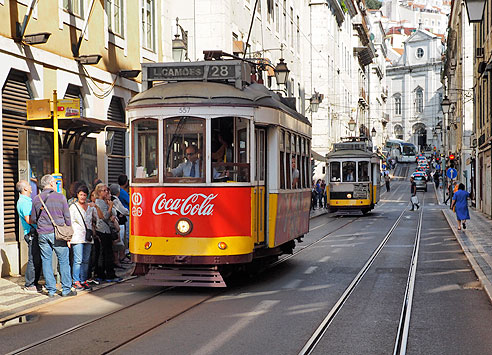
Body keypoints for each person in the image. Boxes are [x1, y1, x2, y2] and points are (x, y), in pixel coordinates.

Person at [31, 174, 76, 298]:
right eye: (55, 183)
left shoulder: (36, 199)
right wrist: (69, 234)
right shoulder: (60, 197)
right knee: (63, 260)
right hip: (58, 233)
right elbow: (67, 217)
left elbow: (33, 219)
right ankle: (66, 289)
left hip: (42, 233)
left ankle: (51, 290)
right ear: (51, 183)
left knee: (46, 260)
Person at [16, 180, 42, 293]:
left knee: (37, 258)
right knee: (33, 258)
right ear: (25, 189)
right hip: (31, 232)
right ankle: (30, 284)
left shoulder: (27, 200)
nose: (31, 187)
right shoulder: (24, 202)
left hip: (33, 232)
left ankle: (34, 283)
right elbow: (28, 219)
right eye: (28, 185)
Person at [69, 184, 96, 291]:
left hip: (88, 237)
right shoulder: (73, 207)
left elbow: (95, 220)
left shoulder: (90, 207)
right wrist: (68, 238)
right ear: (77, 195)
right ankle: (76, 281)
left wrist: (96, 207)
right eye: (81, 195)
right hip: (77, 237)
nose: (82, 197)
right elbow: (69, 223)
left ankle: (83, 279)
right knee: (78, 260)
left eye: (84, 195)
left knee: (86, 260)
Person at [93, 183, 120, 282]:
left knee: (106, 253)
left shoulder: (103, 202)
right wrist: (110, 206)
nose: (107, 192)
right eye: (104, 190)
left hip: (105, 230)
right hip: (103, 230)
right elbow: (104, 216)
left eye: (107, 190)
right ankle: (108, 274)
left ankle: (105, 273)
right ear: (99, 192)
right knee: (106, 253)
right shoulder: (100, 202)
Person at [109, 184, 130, 267]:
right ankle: (119, 259)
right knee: (119, 243)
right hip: (118, 223)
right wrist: (128, 212)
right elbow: (124, 211)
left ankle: (118, 259)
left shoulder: (112, 199)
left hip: (118, 223)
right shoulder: (115, 199)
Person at [118, 174, 130, 261]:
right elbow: (130, 201)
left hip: (121, 216)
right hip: (125, 215)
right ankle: (126, 251)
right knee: (126, 234)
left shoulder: (119, 191)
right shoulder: (122, 192)